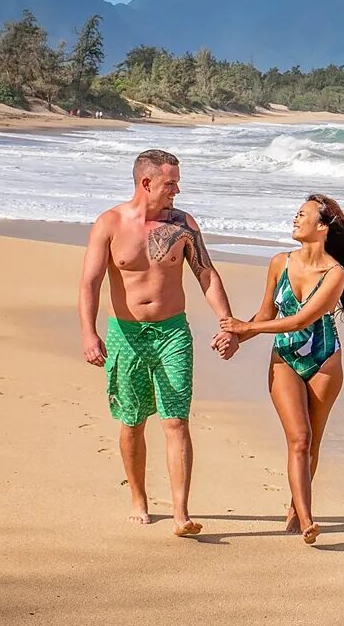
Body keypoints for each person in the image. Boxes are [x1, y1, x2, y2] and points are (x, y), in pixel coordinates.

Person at [78, 148, 240, 536]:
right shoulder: (110, 223)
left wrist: (227, 322)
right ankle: (138, 498)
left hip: (172, 333)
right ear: (146, 182)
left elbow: (206, 274)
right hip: (125, 334)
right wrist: (89, 332)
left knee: (176, 420)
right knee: (132, 422)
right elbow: (90, 282)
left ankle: (181, 512)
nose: (177, 191)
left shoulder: (183, 225)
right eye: (171, 183)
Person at [218, 194, 344, 545]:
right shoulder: (279, 263)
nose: (295, 219)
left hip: (324, 358)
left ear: (322, 226)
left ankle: (296, 508)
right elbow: (266, 316)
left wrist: (245, 330)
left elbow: (302, 320)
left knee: (313, 441)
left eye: (303, 215)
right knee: (299, 437)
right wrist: (236, 337)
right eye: (296, 214)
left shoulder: (335, 273)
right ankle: (307, 519)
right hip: (285, 359)